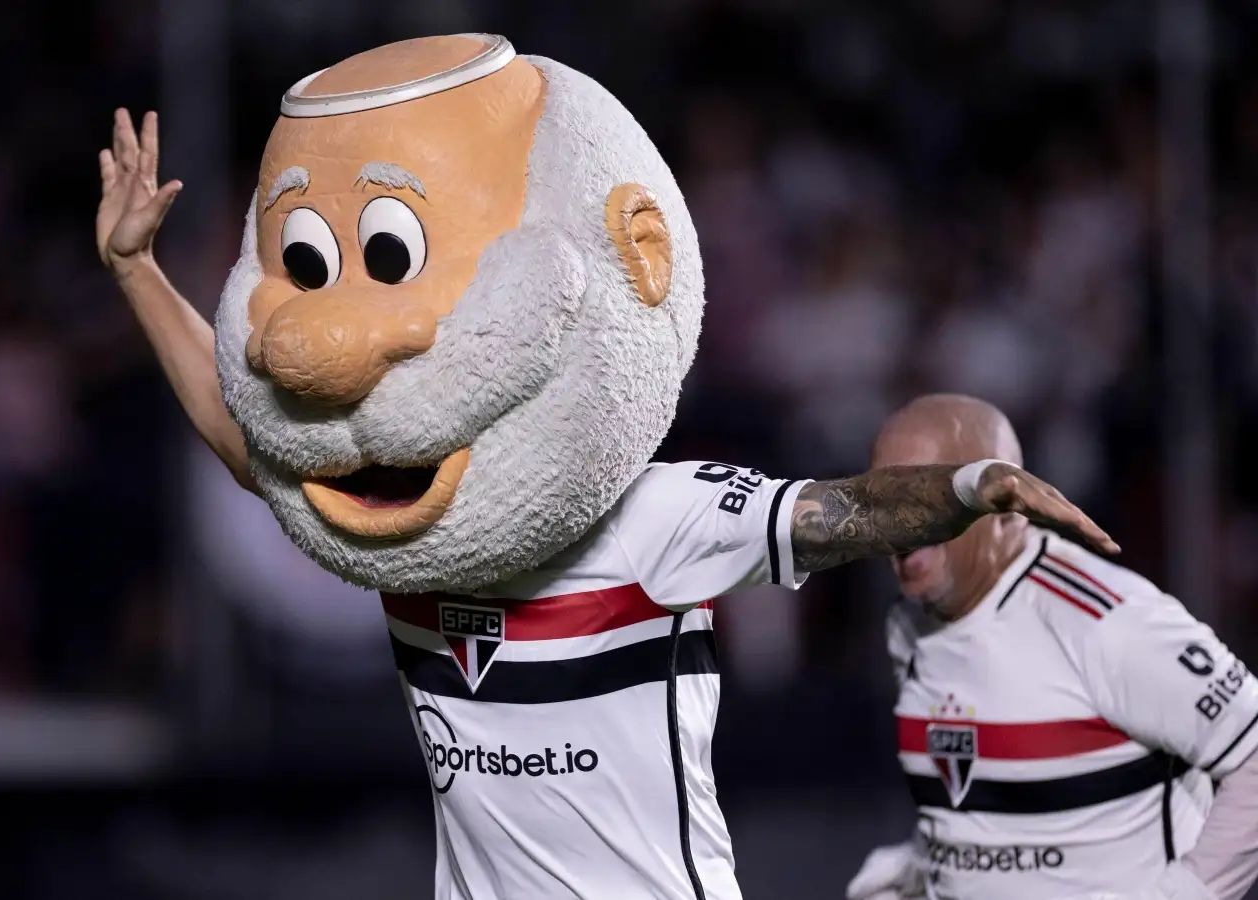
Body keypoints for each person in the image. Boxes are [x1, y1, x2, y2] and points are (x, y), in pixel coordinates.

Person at [97, 35, 1116, 900]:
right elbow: (250, 450)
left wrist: (965, 491)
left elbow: (837, 513)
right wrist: (138, 272)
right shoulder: (415, 539)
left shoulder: (657, 519)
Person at [847, 394, 1258, 900]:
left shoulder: (1106, 622)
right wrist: (919, 866)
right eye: (880, 499)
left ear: (1005, 504)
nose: (897, 523)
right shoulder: (908, 627)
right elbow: (990, 803)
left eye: (927, 494)